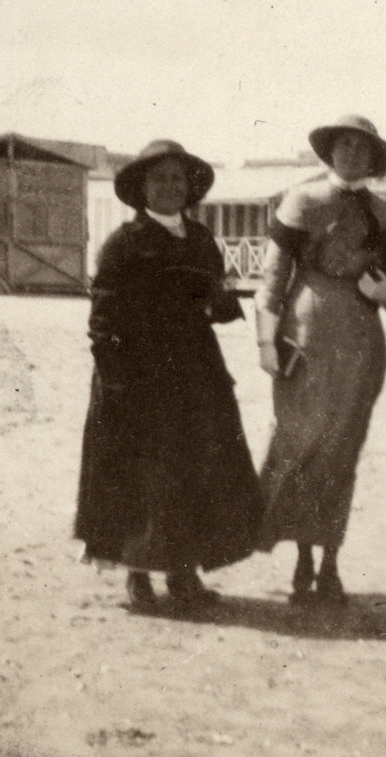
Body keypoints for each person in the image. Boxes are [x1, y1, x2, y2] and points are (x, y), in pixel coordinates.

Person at [75, 139, 262, 609]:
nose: (169, 187)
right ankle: (138, 577)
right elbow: (103, 320)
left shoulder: (199, 239)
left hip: (195, 373)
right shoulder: (124, 243)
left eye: (177, 178)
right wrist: (117, 383)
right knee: (142, 475)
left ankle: (184, 576)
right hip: (138, 376)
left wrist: (220, 303)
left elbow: (211, 297)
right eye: (158, 178)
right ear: (141, 188)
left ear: (189, 187)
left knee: (193, 471)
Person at [254, 114, 386, 605]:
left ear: (374, 157)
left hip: (362, 341)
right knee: (302, 444)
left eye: (363, 148)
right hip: (307, 332)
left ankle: (331, 563)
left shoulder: (385, 212)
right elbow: (274, 275)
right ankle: (301, 557)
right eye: (345, 145)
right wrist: (265, 342)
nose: (353, 154)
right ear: (330, 151)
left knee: (344, 450)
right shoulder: (303, 198)